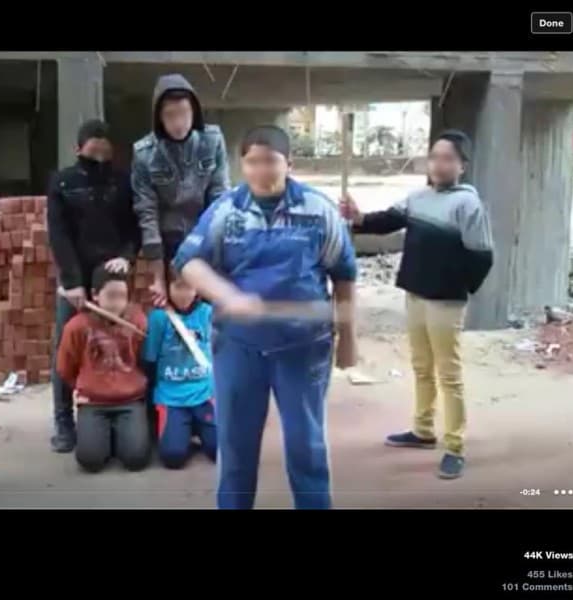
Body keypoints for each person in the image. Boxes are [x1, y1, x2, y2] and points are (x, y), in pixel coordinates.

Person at [173, 125, 358, 510]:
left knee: (306, 445)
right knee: (236, 447)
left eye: (270, 161)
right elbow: (188, 263)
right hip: (238, 347)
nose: (261, 171)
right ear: (241, 165)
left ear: (289, 164)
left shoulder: (318, 209)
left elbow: (344, 274)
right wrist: (227, 295)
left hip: (304, 347)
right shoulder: (226, 210)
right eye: (252, 162)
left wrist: (349, 339)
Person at [340, 129, 494, 480]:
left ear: (462, 166)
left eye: (448, 158)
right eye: (434, 157)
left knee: (449, 374)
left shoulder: (468, 204)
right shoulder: (418, 198)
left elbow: (482, 256)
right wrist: (358, 217)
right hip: (415, 295)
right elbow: (386, 221)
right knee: (422, 367)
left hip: (445, 301)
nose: (438, 164)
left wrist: (458, 288)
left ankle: (455, 446)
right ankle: (423, 430)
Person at [47, 119, 139, 453]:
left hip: (113, 276)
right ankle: (64, 423)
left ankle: (130, 413)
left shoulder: (123, 181)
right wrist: (72, 282)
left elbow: (134, 227)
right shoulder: (63, 182)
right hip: (76, 277)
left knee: (123, 342)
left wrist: (127, 257)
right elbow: (58, 233)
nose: (99, 156)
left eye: (104, 150)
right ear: (78, 149)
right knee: (66, 346)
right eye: (92, 150)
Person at [132, 74, 230, 307]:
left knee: (211, 311)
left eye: (185, 114)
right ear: (159, 118)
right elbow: (147, 211)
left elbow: (220, 196)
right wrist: (157, 276)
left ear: (194, 113)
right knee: (172, 310)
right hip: (168, 242)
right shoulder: (144, 153)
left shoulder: (212, 140)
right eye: (170, 115)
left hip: (205, 235)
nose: (179, 123)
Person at [55, 264, 150, 473]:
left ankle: (119, 433)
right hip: (94, 403)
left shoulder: (137, 321)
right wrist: (84, 387)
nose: (117, 303)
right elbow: (65, 367)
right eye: (111, 296)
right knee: (90, 460)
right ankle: (107, 434)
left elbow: (145, 361)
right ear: (95, 295)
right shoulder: (77, 326)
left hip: (130, 401)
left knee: (136, 459)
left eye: (122, 296)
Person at [142, 264, 216, 468]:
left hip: (204, 394)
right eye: (178, 287)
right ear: (167, 287)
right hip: (171, 397)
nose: (183, 294)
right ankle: (183, 429)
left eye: (189, 287)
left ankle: (196, 427)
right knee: (172, 456)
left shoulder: (208, 313)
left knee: (219, 450)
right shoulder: (158, 318)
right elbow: (150, 359)